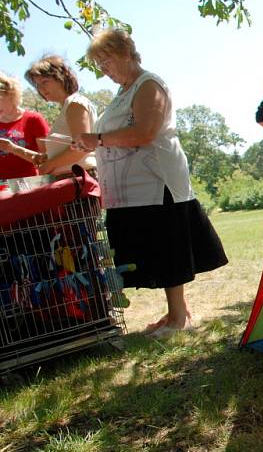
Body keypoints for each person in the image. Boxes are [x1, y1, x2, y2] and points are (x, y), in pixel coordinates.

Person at [72, 28, 228, 338]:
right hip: (131, 193)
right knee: (155, 249)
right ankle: (174, 313)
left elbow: (145, 132)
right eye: (99, 66)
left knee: (168, 247)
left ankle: (179, 318)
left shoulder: (149, 84)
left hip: (158, 184)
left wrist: (97, 139)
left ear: (126, 53)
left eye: (106, 62)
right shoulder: (121, 93)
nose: (104, 71)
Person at [24, 55, 97, 175]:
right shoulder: (68, 106)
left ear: (61, 78)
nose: (41, 88)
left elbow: (83, 146)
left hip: (79, 178)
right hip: (71, 179)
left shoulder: (74, 103)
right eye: (37, 85)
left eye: (44, 81)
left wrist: (49, 165)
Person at [0, 71, 49, 178]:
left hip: (27, 187)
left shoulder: (33, 119)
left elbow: (47, 159)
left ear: (11, 95)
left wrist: (13, 149)